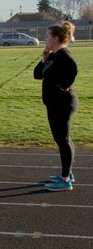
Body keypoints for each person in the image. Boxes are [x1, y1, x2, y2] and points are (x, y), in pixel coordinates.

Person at [33, 21, 78, 192]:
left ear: (56, 38)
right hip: (54, 103)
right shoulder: (52, 55)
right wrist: (44, 59)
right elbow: (37, 75)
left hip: (63, 103)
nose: (45, 39)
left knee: (63, 139)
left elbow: (74, 68)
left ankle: (66, 180)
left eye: (47, 36)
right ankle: (68, 172)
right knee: (63, 139)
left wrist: (64, 86)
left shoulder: (65, 55)